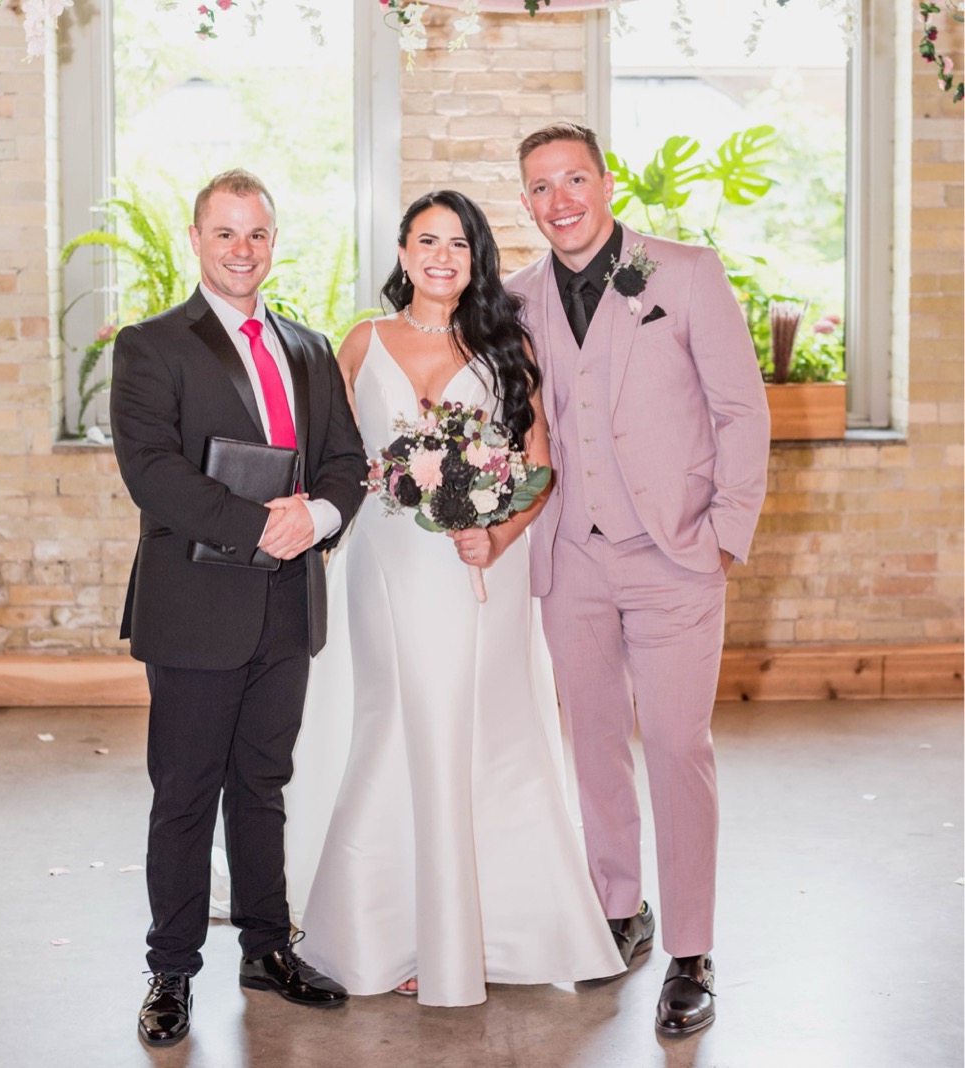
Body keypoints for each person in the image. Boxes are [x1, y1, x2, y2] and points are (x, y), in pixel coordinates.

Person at [294, 190, 625, 1008]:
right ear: (403, 253)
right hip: (381, 567)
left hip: (477, 568)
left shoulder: (503, 344)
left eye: (460, 245)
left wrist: (497, 536)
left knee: (478, 736)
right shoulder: (361, 342)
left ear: (476, 261)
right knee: (393, 728)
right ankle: (386, 930)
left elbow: (539, 464)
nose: (442, 256)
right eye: (426, 240)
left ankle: (485, 934)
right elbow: (330, 458)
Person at [506, 123, 770, 1036]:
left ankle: (691, 949)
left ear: (606, 182)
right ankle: (618, 910)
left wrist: (724, 534)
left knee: (673, 743)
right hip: (568, 557)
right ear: (527, 200)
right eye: (540, 187)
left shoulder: (685, 273)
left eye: (574, 178)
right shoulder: (516, 298)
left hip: (675, 555)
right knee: (592, 746)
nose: (560, 200)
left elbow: (741, 408)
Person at [109, 168, 367, 1047]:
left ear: (273, 241)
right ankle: (171, 972)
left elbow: (344, 459)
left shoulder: (306, 344)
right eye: (226, 233)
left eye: (256, 234)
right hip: (195, 608)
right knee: (184, 795)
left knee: (263, 787)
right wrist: (266, 525)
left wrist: (318, 517)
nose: (242, 250)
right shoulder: (152, 345)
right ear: (196, 238)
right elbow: (152, 472)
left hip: (286, 609)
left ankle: (267, 947)